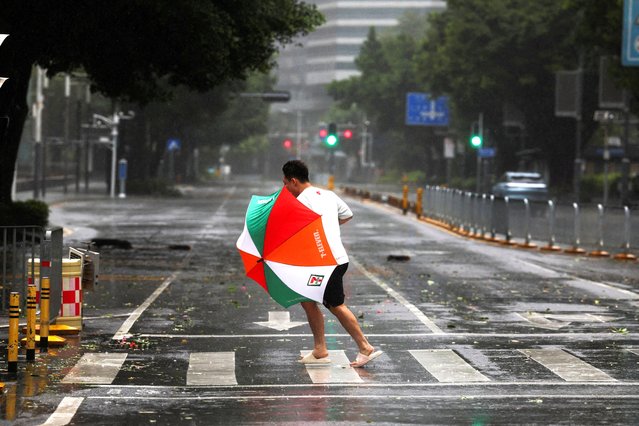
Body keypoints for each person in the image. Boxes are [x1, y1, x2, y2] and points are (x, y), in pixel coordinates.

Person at [282, 160, 383, 368]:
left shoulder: (300, 202)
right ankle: (320, 349)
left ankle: (365, 346)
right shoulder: (327, 194)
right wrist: (328, 224)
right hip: (333, 259)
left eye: (285, 183)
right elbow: (347, 215)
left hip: (325, 263)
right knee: (307, 300)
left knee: (335, 305)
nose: (285, 188)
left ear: (293, 181)